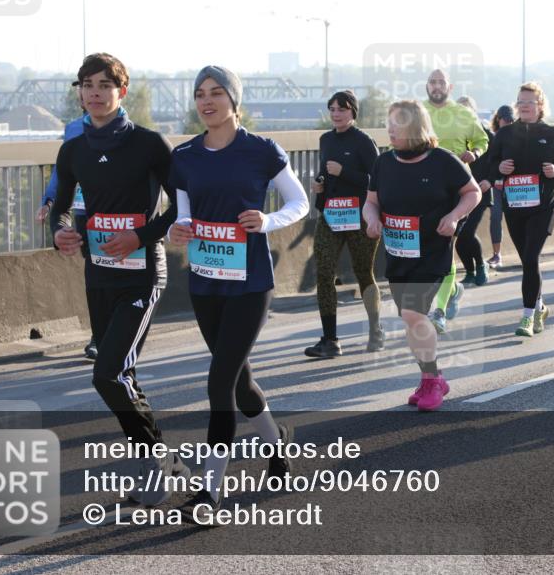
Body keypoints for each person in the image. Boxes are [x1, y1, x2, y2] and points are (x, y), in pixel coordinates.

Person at [168, 65, 309, 518]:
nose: (206, 101)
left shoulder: (262, 151)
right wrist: (178, 230)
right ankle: (277, 445)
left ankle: (210, 492)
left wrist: (266, 222)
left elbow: (299, 201)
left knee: (219, 382)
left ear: (234, 100)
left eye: (215, 93)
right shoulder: (185, 155)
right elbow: (183, 215)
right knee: (239, 378)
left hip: (250, 283)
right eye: (199, 94)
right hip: (206, 280)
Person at [49, 53, 186, 504]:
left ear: (121, 91)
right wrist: (61, 233)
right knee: (119, 373)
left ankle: (158, 462)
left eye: (104, 85)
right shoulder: (73, 149)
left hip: (143, 275)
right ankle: (159, 464)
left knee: (107, 374)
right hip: (98, 273)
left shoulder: (148, 144)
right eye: (86, 85)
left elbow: (178, 207)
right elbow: (62, 206)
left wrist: (139, 237)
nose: (94, 93)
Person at [363, 101, 479, 411]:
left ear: (415, 126)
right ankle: (431, 377)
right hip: (398, 253)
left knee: (413, 315)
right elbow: (370, 201)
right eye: (388, 123)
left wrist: (454, 217)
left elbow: (473, 192)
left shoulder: (443, 161)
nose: (389, 129)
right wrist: (372, 219)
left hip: (431, 251)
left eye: (396, 124)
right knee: (410, 319)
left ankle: (432, 381)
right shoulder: (384, 162)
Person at [487, 82, 554, 337]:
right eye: (520, 101)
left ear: (540, 105)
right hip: (515, 207)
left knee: (531, 258)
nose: (524, 106)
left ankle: (526, 316)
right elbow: (488, 164)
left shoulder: (552, 132)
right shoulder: (505, 134)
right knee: (528, 263)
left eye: (529, 102)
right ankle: (540, 306)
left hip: (544, 206)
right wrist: (499, 168)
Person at [304, 90, 382, 358]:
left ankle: (375, 331)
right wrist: (319, 184)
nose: (336, 114)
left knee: (363, 272)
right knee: (323, 271)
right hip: (331, 214)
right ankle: (330, 339)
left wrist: (344, 172)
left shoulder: (363, 141)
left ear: (353, 112)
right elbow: (326, 173)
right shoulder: (325, 139)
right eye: (332, 109)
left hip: (360, 216)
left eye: (342, 109)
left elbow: (376, 180)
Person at [422, 70, 489, 332]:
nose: (436, 86)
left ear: (449, 86)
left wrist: (474, 152)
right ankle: (451, 292)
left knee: (446, 246)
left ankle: (438, 312)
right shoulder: (417, 112)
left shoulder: (463, 113)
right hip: (423, 190)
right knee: (429, 251)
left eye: (441, 82)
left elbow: (483, 140)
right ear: (427, 86)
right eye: (432, 82)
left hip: (457, 190)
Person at [36, 113, 99, 361]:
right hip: (84, 210)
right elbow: (62, 171)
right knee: (94, 273)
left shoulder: (128, 130)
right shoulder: (73, 129)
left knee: (113, 274)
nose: (92, 94)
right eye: (85, 87)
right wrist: (48, 200)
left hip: (117, 213)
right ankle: (99, 337)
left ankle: (114, 335)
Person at [455, 95, 493, 287]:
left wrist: (490, 179)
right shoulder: (454, 135)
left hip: (481, 191)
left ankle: (481, 266)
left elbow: (497, 159)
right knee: (459, 235)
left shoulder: (485, 133)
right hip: (459, 193)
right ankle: (470, 271)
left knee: (467, 232)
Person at [486, 105, 515, 269]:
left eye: (511, 119)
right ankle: (497, 254)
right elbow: (490, 162)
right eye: (505, 119)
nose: (508, 122)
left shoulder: (518, 136)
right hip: (496, 186)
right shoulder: (492, 137)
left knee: (516, 218)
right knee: (496, 217)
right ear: (498, 119)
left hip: (515, 187)